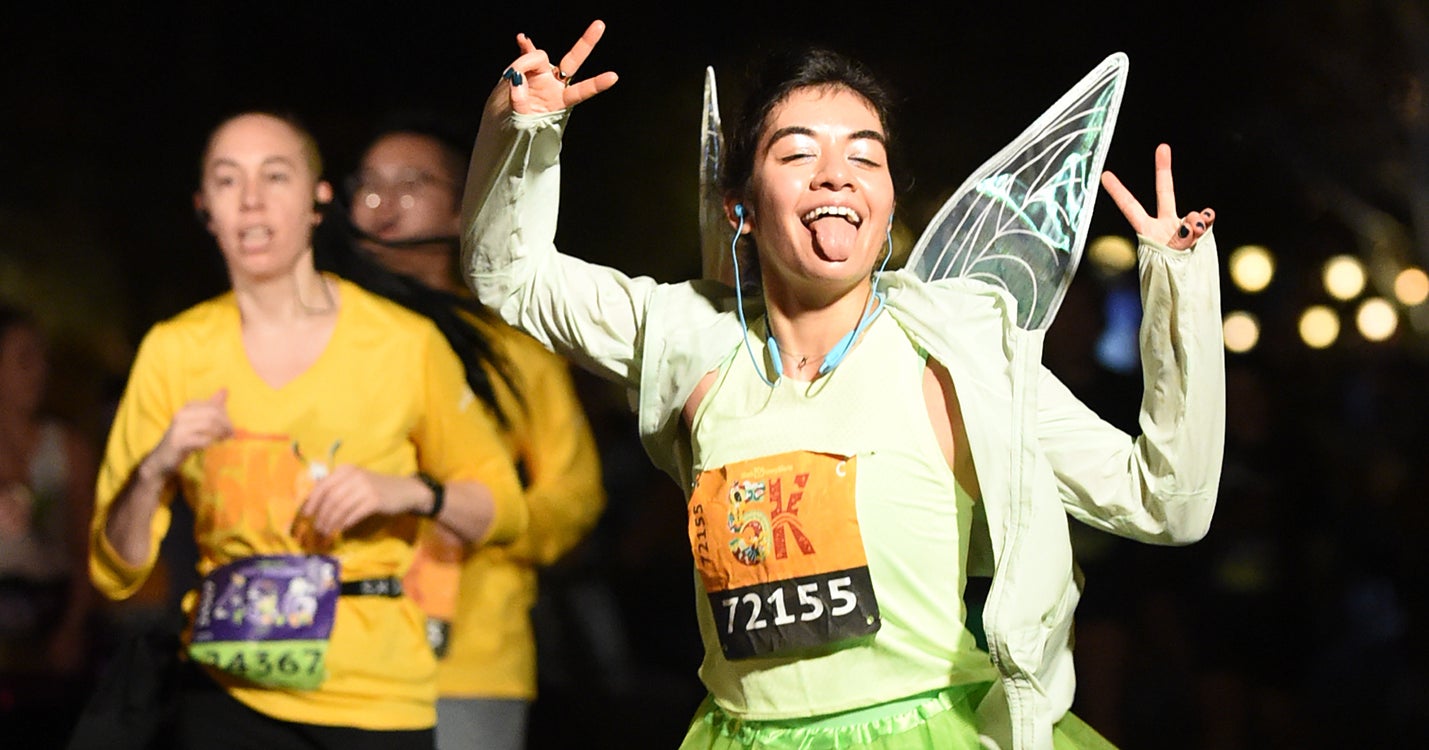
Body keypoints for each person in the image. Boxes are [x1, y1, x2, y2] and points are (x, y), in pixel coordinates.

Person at [462, 20, 1223, 750]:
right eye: (797, 155)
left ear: (887, 201)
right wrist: (521, 129)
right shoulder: (685, 336)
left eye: (865, 157)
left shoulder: (961, 356)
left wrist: (1176, 287)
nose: (835, 174)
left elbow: (1167, 504)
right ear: (741, 208)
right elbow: (509, 277)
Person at [87, 110, 526, 749]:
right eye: (228, 180)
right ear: (205, 207)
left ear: (319, 201)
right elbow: (115, 570)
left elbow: (505, 511)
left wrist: (408, 492)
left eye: (275, 175)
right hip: (224, 688)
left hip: (374, 701)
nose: (253, 200)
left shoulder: (403, 343)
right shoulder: (174, 351)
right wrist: (154, 467)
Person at [344, 113, 607, 750]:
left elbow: (575, 497)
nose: (384, 203)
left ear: (465, 208)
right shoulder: (328, 337)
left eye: (412, 183)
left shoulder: (514, 354)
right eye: (369, 184)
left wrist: (486, 517)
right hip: (337, 651)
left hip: (471, 654)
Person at [0, 304, 99, 745]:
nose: (38, 372)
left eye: (42, 358)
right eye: (23, 359)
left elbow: (86, 547)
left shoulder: (68, 450)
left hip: (50, 615)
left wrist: (72, 627)